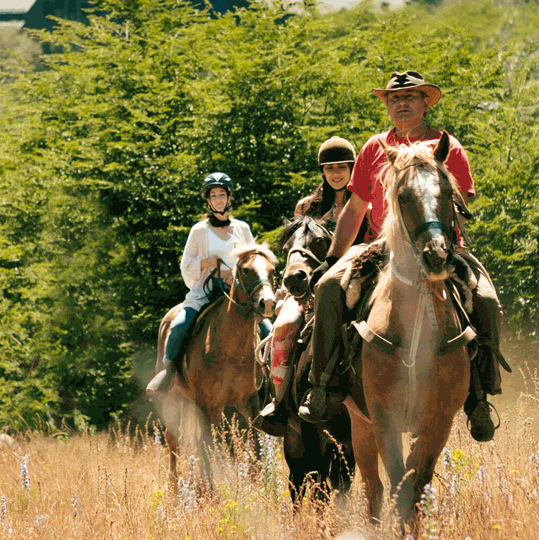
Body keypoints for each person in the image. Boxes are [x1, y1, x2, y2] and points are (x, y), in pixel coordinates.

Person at [297, 71, 510, 443]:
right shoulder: (374, 147)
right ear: (386, 105)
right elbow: (357, 207)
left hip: (440, 243)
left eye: (410, 96)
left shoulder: (446, 145)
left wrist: (442, 240)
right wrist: (333, 258)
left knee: (487, 301)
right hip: (383, 246)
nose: (402, 103)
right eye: (394, 98)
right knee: (329, 287)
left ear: (425, 102)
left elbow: (460, 199)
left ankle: (480, 394)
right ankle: (322, 385)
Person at [253, 136, 367, 436]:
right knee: (283, 327)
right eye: (329, 168)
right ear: (322, 171)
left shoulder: (365, 203)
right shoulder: (307, 206)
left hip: (355, 280)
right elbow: (296, 248)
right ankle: (277, 403)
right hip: (308, 287)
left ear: (353, 168)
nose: (336, 173)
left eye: (342, 167)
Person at [146, 172, 272, 395]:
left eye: (222, 194)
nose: (218, 199)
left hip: (238, 293)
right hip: (206, 291)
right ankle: (168, 370)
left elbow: (253, 261)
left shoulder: (242, 228)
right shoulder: (198, 230)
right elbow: (186, 266)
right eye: (213, 195)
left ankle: (272, 374)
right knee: (179, 324)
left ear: (229, 198)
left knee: (268, 328)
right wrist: (206, 262)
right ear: (208, 200)